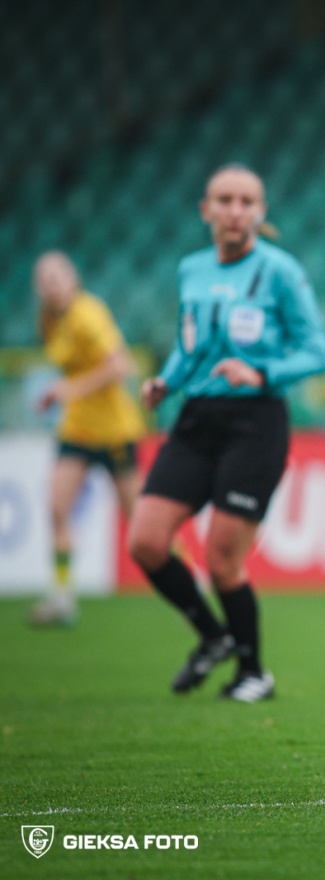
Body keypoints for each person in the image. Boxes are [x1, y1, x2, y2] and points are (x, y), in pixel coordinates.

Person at [126, 164, 325, 703]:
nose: (235, 210)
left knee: (222, 559)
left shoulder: (280, 271)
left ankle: (254, 673)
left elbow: (317, 351)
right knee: (145, 542)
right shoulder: (191, 269)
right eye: (225, 200)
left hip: (256, 422)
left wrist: (261, 372)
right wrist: (165, 381)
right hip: (196, 418)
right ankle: (212, 636)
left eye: (246, 201)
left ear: (260, 212)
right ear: (206, 210)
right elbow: (188, 344)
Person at [30, 251, 146, 626]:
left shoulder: (88, 313)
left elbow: (120, 364)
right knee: (56, 508)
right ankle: (62, 597)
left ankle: (189, 582)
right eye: (44, 279)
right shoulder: (50, 320)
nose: (51, 285)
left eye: (57, 277)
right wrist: (62, 394)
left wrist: (68, 389)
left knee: (143, 525)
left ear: (73, 279)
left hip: (114, 430)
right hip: (77, 429)